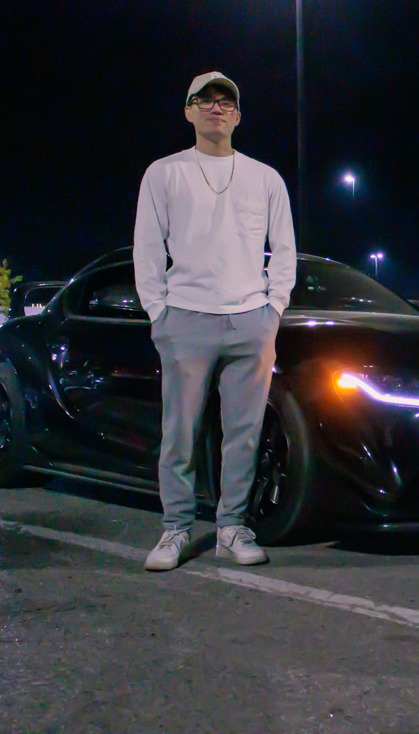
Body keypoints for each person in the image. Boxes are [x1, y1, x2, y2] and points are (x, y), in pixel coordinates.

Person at [134, 72, 297, 571]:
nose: (215, 107)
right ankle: (175, 530)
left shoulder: (265, 178)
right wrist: (158, 313)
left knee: (243, 433)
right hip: (184, 318)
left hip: (251, 320)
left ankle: (232, 527)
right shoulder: (164, 173)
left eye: (225, 101)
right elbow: (147, 247)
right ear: (188, 112)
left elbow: (285, 249)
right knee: (179, 432)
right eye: (203, 100)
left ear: (238, 115)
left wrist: (273, 310)